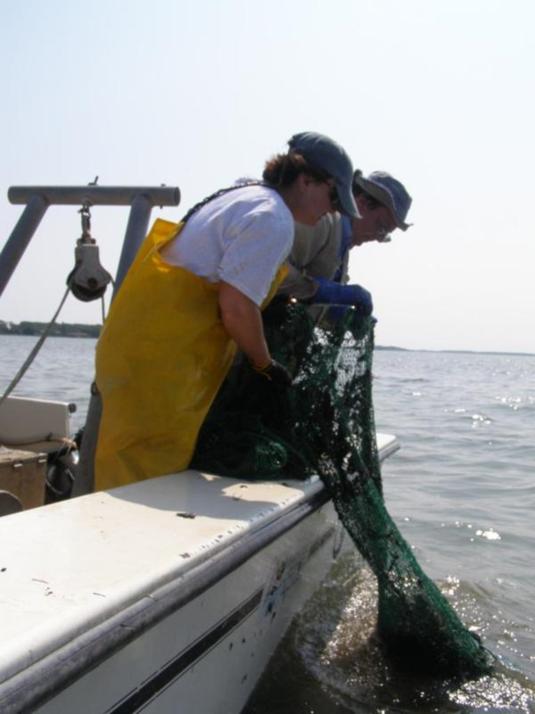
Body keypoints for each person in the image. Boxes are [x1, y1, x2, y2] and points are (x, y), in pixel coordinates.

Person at [94, 132, 359, 490]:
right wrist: (265, 366)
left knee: (124, 461)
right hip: (163, 361)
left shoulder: (242, 194)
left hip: (138, 343)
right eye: (333, 197)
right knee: (145, 473)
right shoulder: (273, 219)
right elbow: (236, 308)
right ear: (306, 179)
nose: (334, 211)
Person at [277, 170, 412, 314]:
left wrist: (339, 315)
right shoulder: (323, 223)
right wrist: (316, 290)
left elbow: (311, 306)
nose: (379, 239)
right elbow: (269, 265)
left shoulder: (342, 248)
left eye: (385, 234)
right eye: (381, 227)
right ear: (362, 203)